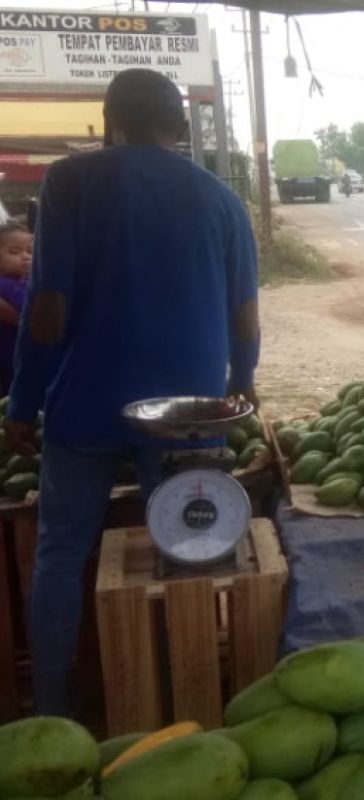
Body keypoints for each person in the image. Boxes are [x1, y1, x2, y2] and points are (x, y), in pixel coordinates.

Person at [4, 68, 261, 716]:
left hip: (87, 400)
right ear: (179, 127)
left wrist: (24, 400)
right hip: (188, 413)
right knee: (191, 551)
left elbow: (48, 309)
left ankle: (55, 709)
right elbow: (246, 319)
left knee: (61, 554)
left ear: (108, 121)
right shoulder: (221, 199)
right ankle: (187, 700)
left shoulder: (71, 183)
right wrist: (240, 386)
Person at [0, 221, 32, 393]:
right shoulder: (6, 285)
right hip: (14, 355)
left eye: (30, 251)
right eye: (15, 252)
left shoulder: (22, 282)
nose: (26, 256)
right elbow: (31, 309)